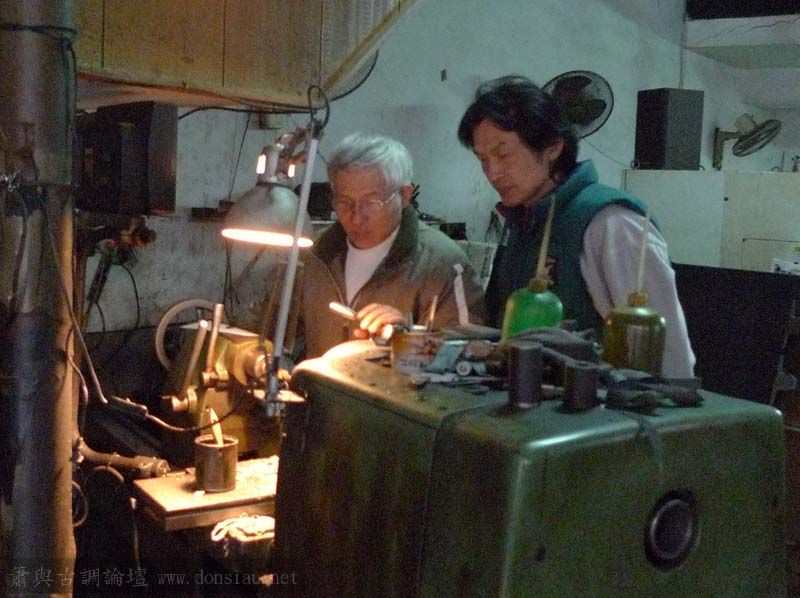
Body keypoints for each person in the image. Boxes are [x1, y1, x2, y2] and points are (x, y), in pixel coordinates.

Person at [457, 75, 695, 378]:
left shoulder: (611, 223)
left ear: (552, 147)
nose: (493, 173)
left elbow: (671, 357)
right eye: (483, 160)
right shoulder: (525, 222)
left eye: (503, 154)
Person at [299, 132, 485, 358]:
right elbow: (285, 333)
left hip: (399, 382)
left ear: (405, 195)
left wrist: (408, 337)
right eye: (345, 202)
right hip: (322, 381)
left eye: (371, 203)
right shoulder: (317, 254)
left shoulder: (444, 265)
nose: (356, 217)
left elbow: (470, 351)